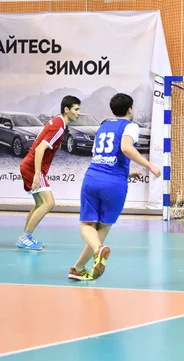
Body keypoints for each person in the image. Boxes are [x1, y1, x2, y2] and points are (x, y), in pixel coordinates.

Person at [68, 93, 161, 281]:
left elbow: (101, 156)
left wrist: (127, 172)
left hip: (92, 178)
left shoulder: (103, 127)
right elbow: (126, 148)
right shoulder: (130, 126)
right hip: (114, 184)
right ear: (130, 109)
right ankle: (97, 250)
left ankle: (79, 267)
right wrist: (150, 165)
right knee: (103, 228)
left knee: (87, 225)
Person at [16, 95, 81, 250]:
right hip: (32, 167)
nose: (78, 113)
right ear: (67, 110)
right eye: (76, 109)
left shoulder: (57, 122)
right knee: (49, 203)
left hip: (28, 165)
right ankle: (25, 238)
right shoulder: (59, 127)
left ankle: (26, 237)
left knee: (40, 203)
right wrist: (37, 174)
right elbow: (39, 149)